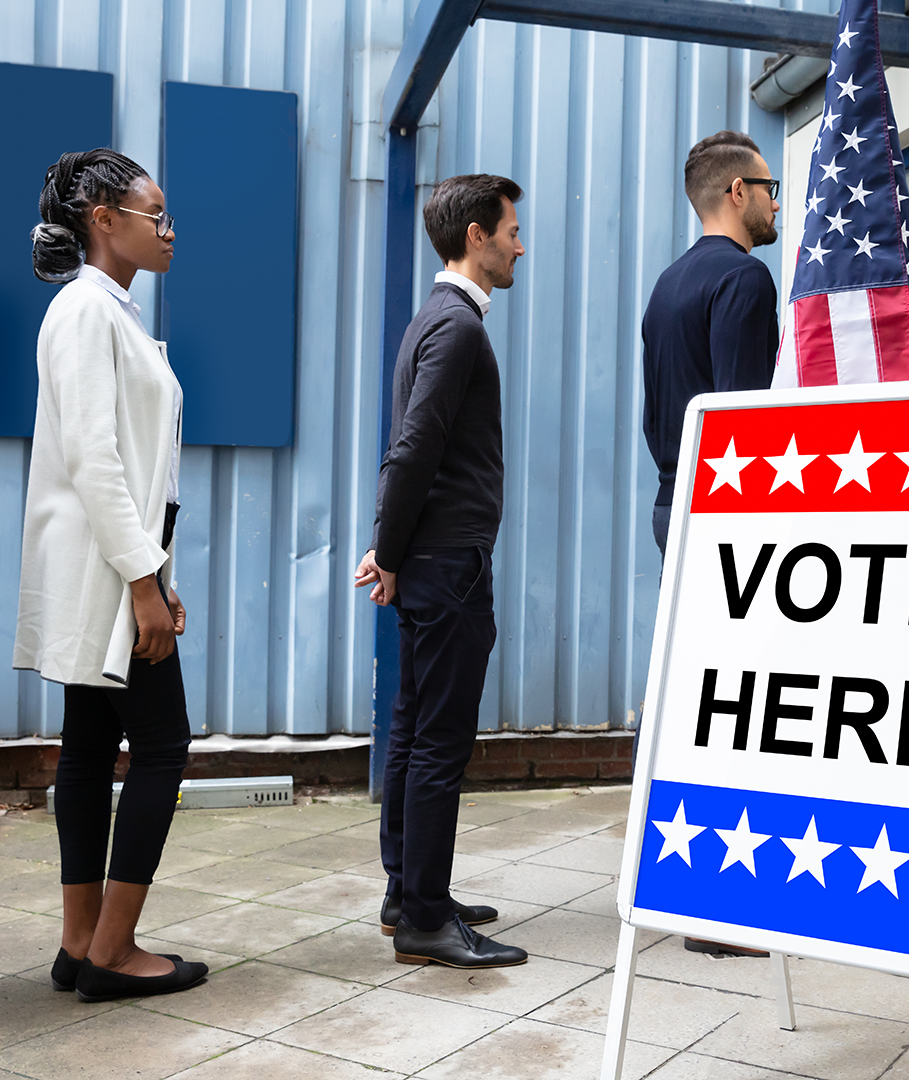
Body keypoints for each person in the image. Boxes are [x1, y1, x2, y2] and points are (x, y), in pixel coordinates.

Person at [14, 148, 206, 1003]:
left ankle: (79, 942)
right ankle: (114, 952)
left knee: (90, 746)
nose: (168, 230)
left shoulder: (103, 311)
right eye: (153, 214)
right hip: (108, 568)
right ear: (103, 218)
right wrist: (142, 581)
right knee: (163, 746)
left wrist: (152, 571)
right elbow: (96, 459)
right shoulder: (87, 313)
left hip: (116, 562)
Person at [354, 174, 529, 969]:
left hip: (425, 559)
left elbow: (410, 448)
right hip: (448, 562)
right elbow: (415, 446)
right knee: (438, 742)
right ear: (476, 238)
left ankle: (409, 894)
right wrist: (388, 550)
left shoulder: (431, 319)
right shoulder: (457, 328)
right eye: (511, 230)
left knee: (413, 729)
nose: (520, 244)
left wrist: (389, 547)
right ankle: (424, 919)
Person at [640, 129, 781, 958]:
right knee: (742, 705)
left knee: (707, 699)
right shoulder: (744, 279)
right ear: (736, 192)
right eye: (768, 186)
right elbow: (743, 419)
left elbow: (658, 415)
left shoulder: (667, 286)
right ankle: (721, 910)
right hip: (724, 513)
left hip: (673, 502)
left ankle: (701, 891)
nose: (775, 202)